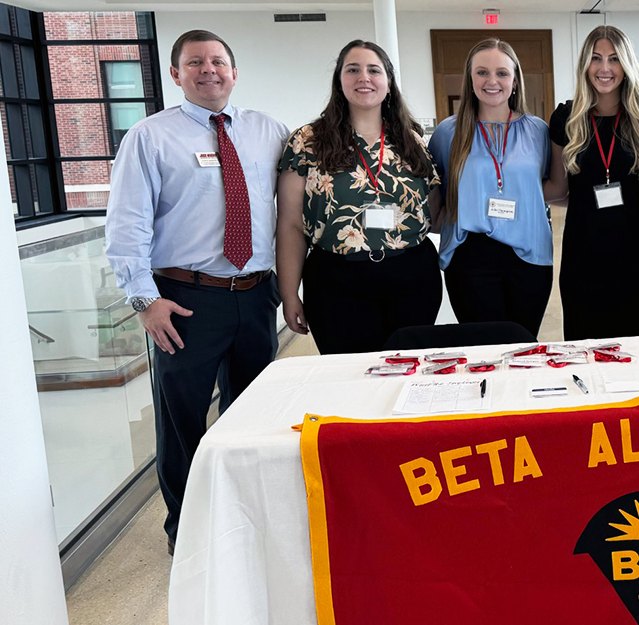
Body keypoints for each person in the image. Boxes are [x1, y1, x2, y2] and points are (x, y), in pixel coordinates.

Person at [104, 30, 289, 554]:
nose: (209, 70)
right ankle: (187, 531)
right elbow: (127, 226)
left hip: (255, 294)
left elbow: (294, 206)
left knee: (253, 412)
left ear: (234, 71)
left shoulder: (266, 130)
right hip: (184, 299)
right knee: (182, 416)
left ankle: (250, 520)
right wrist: (144, 299)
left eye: (218, 61)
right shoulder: (150, 136)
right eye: (195, 63)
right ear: (175, 74)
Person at [275, 40, 441, 355]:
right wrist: (289, 294)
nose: (363, 77)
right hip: (337, 283)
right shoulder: (308, 141)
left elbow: (431, 212)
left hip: (412, 279)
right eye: (353, 70)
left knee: (407, 376)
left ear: (389, 83)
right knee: (350, 381)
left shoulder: (412, 140)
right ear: (339, 81)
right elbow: (291, 225)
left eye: (373, 70)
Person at [544, 26, 639, 340]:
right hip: (585, 255)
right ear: (585, 64)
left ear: (627, 65)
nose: (605, 68)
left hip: (638, 254)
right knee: (586, 351)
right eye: (596, 58)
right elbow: (557, 189)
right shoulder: (566, 119)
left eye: (614, 59)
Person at [428, 38, 553, 336]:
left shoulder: (538, 131)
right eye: (482, 72)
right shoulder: (448, 132)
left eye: (502, 73)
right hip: (471, 257)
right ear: (470, 80)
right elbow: (436, 193)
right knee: (482, 349)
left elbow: (547, 185)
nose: (492, 81)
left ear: (515, 81)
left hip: (530, 256)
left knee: (524, 346)